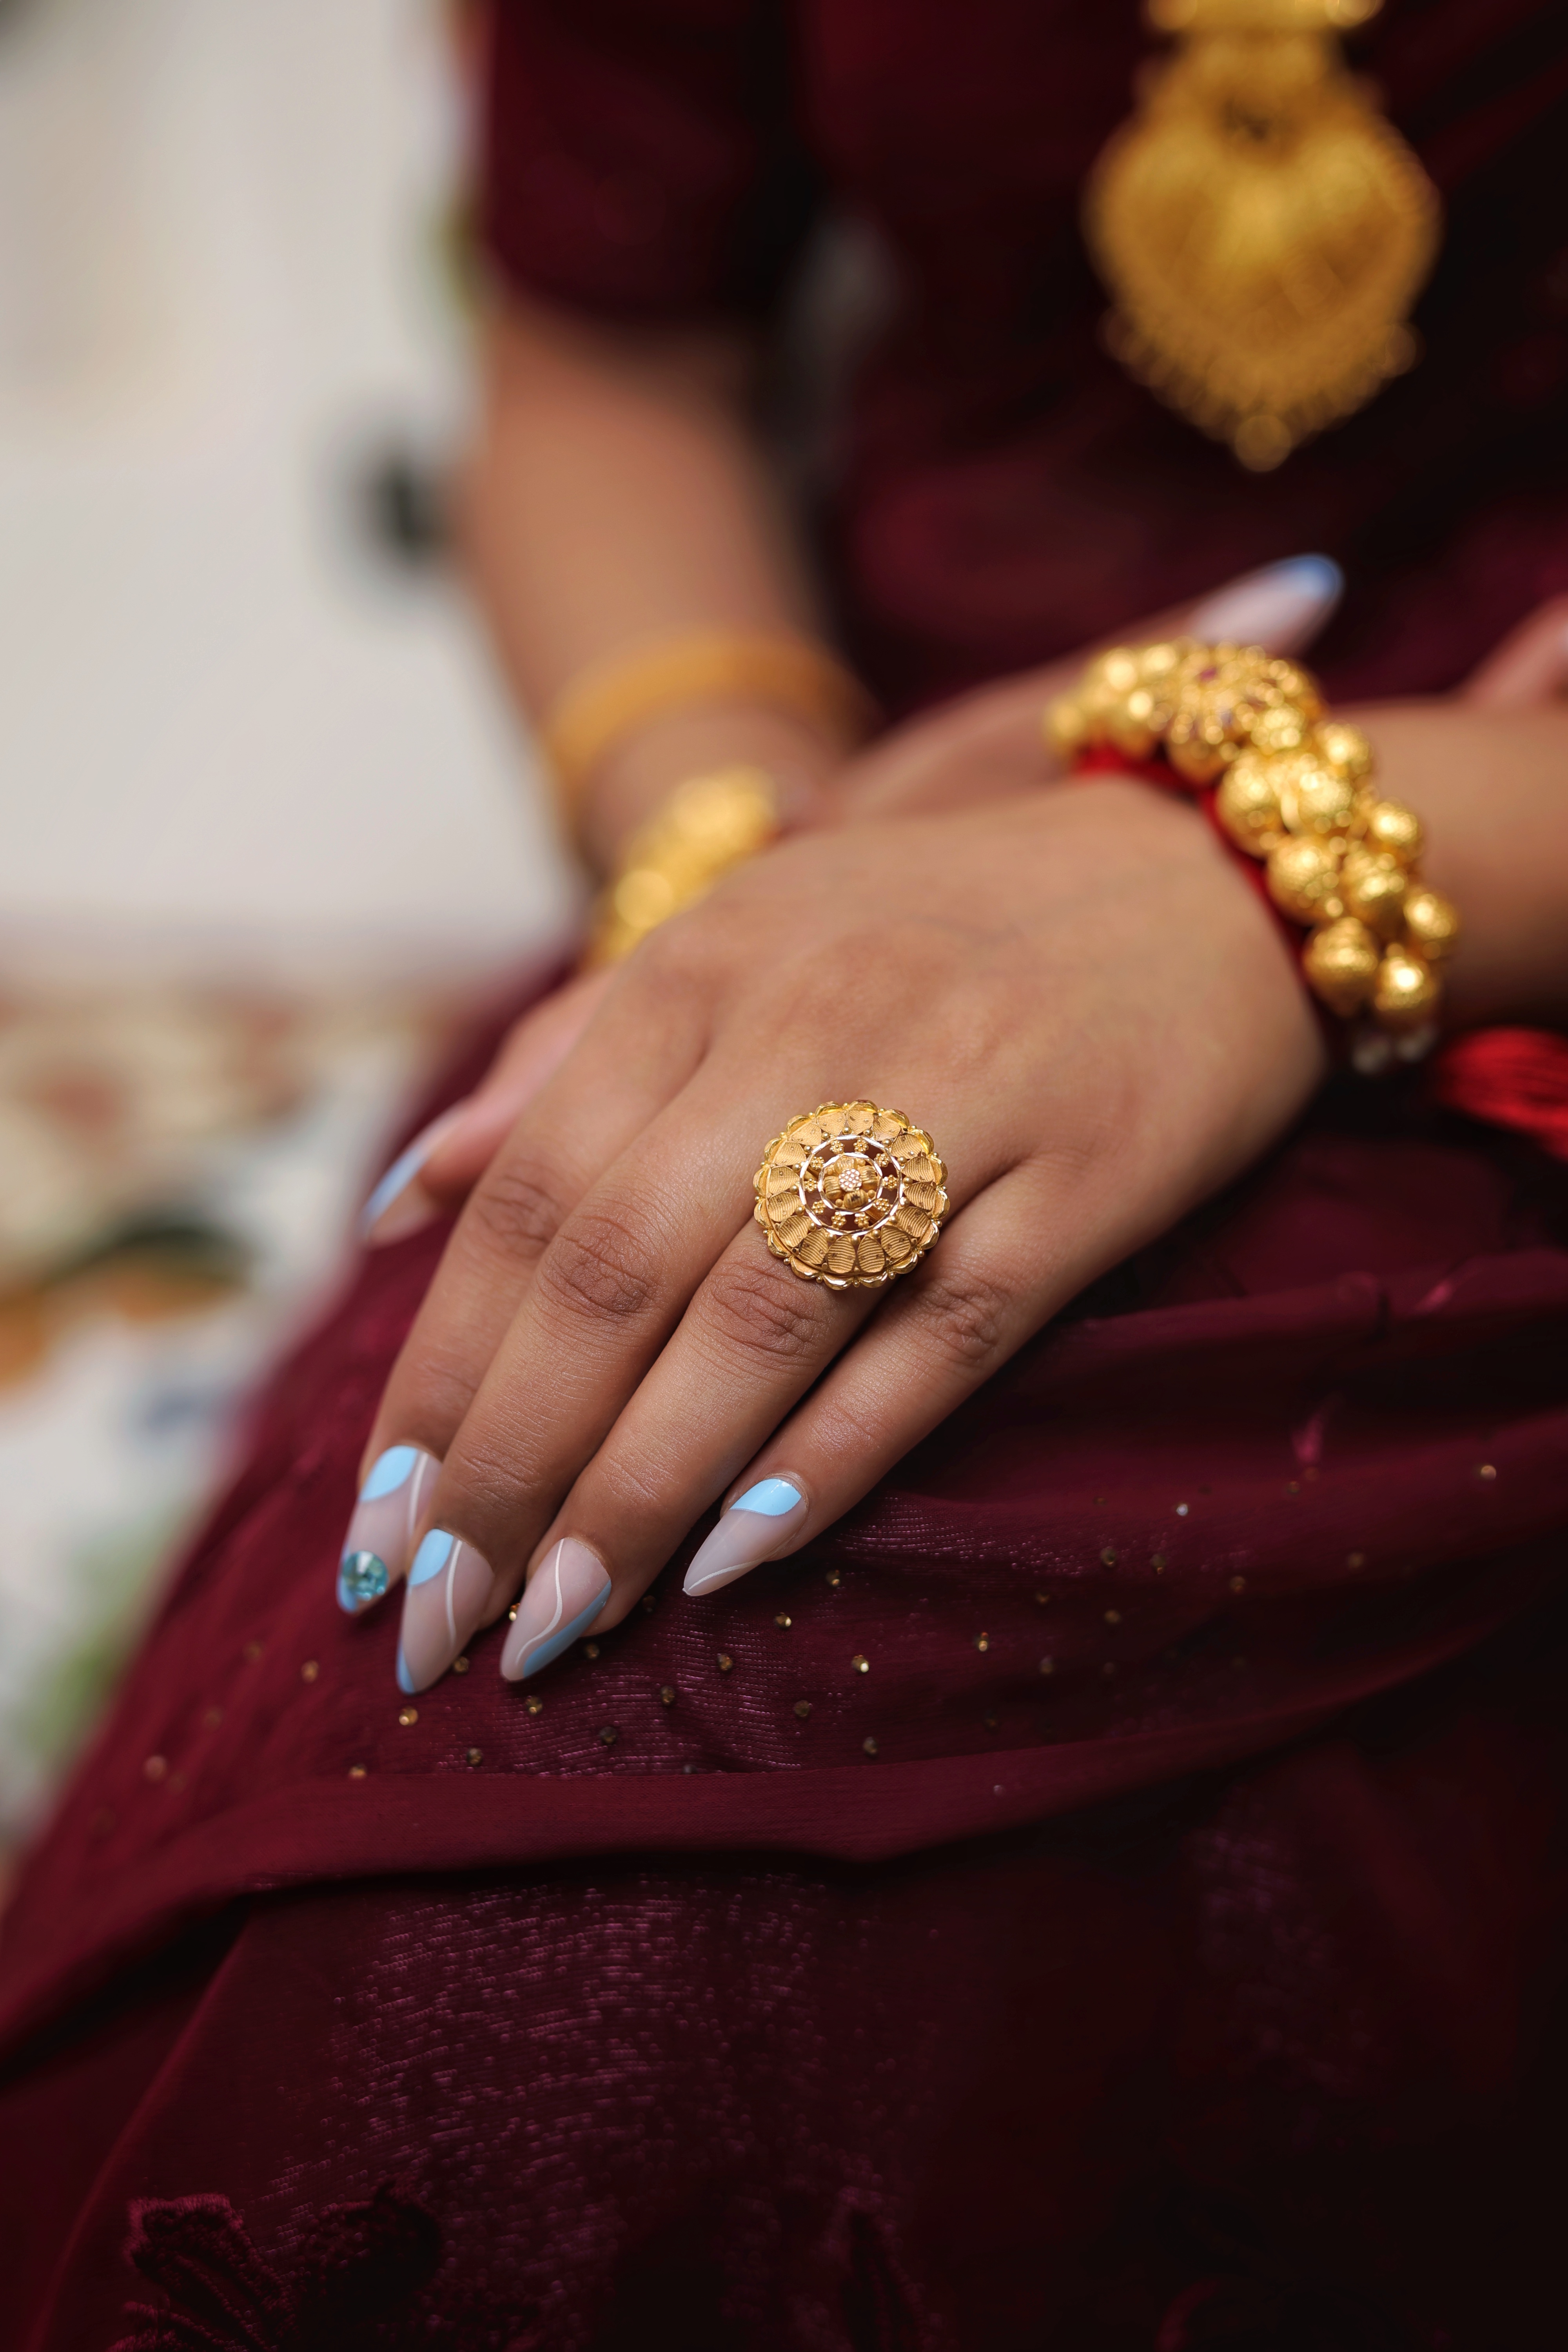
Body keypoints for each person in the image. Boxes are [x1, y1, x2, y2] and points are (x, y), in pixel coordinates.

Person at [2, 4, 1567, 2344]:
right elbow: (605, 362)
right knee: (442, 1848)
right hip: (868, 855)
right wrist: (737, 864)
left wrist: (1261, 856)